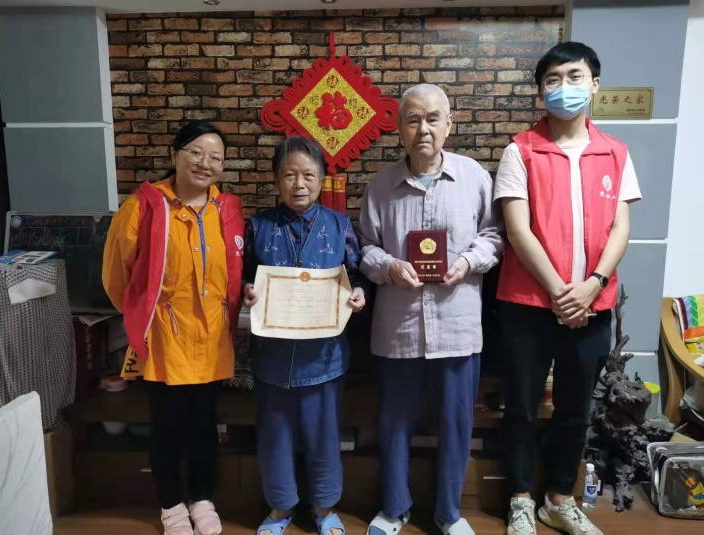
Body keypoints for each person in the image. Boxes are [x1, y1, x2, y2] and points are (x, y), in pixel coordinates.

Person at [494, 42, 642, 535]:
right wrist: (562, 292)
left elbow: (621, 227)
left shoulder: (615, 153)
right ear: (541, 92)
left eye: (574, 77)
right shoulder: (520, 150)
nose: (563, 87)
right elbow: (518, 230)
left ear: (595, 84)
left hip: (593, 305)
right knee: (520, 406)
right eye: (552, 80)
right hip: (528, 306)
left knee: (576, 410)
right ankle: (519, 498)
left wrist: (592, 286)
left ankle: (559, 498)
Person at [358, 83, 504, 535]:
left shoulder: (474, 177)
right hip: (397, 329)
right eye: (413, 119)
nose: (423, 128)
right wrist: (389, 267)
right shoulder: (379, 186)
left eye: (432, 118)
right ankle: (394, 508)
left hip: (458, 326)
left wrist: (467, 262)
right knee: (394, 423)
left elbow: (494, 236)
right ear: (399, 128)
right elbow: (364, 247)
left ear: (449, 125)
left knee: (456, 424)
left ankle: (448, 514)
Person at [103, 121, 244, 535]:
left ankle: (202, 498)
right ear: (175, 155)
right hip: (166, 338)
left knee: (204, 425)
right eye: (195, 152)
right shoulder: (144, 207)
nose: (205, 163)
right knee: (166, 426)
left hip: (213, 338)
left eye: (215, 157)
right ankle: (170, 504)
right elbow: (116, 275)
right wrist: (142, 315)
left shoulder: (226, 209)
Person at [242, 136, 367, 535]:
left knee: (324, 436)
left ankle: (324, 509)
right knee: (275, 436)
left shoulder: (340, 225)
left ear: (322, 178)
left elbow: (357, 274)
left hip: (324, 358)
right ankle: (280, 509)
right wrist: (247, 290)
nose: (299, 184)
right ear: (276, 180)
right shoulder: (258, 226)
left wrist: (359, 292)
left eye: (308, 175)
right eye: (289, 175)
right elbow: (243, 276)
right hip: (272, 357)